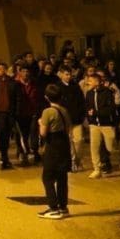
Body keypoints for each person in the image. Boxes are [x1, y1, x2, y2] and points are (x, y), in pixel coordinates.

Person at [38, 83, 72, 219]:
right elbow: (68, 128)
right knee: (62, 177)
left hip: (53, 145)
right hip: (64, 144)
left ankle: (53, 207)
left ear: (47, 97)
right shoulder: (64, 110)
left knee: (47, 177)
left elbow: (43, 133)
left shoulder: (48, 112)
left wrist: (40, 123)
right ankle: (63, 207)